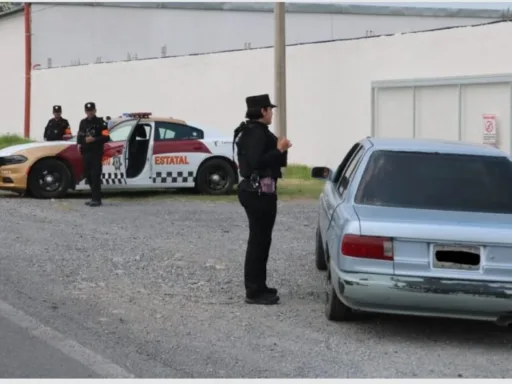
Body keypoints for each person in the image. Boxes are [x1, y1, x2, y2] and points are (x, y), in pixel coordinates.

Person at [234, 94, 292, 305]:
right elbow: (255, 163)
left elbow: (270, 161)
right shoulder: (255, 133)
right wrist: (279, 149)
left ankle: (259, 285)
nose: (272, 113)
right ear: (262, 111)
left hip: (260, 192)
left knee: (261, 240)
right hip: (258, 193)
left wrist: (280, 150)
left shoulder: (256, 132)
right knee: (258, 241)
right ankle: (254, 291)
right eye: (270, 109)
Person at [77, 102, 110, 207]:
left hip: (96, 152)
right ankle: (94, 196)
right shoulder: (83, 122)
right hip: (86, 152)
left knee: (95, 175)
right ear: (85, 112)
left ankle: (97, 199)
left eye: (91, 110)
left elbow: (106, 137)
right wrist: (80, 142)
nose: (89, 112)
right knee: (88, 175)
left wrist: (94, 139)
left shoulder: (101, 123)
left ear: (95, 111)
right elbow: (80, 136)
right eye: (87, 111)